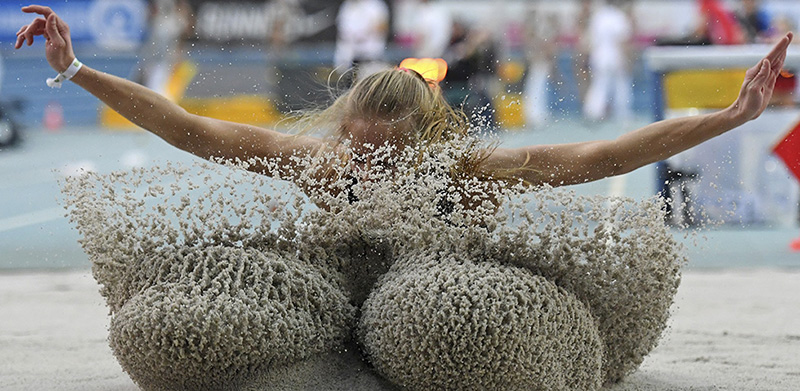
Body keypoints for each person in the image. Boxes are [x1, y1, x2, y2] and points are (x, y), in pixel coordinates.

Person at [14, 5, 793, 201]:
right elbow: (188, 128)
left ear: (424, 139)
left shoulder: (468, 170)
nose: (372, 163)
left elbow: (605, 155)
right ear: (340, 132)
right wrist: (76, 68)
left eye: (388, 151)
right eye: (360, 148)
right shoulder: (316, 162)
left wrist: (727, 119)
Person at [582, 0, 634, 123]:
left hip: (599, 56)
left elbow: (591, 39)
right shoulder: (619, 16)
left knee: (599, 84)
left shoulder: (598, 16)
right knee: (621, 84)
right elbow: (621, 40)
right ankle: (622, 113)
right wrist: (625, 58)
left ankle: (593, 111)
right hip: (615, 55)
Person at [334, 0, 390, 81]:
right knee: (349, 87)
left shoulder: (375, 5)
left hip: (370, 56)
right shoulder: (347, 5)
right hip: (349, 56)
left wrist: (365, 32)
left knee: (368, 85)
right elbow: (342, 29)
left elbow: (383, 27)